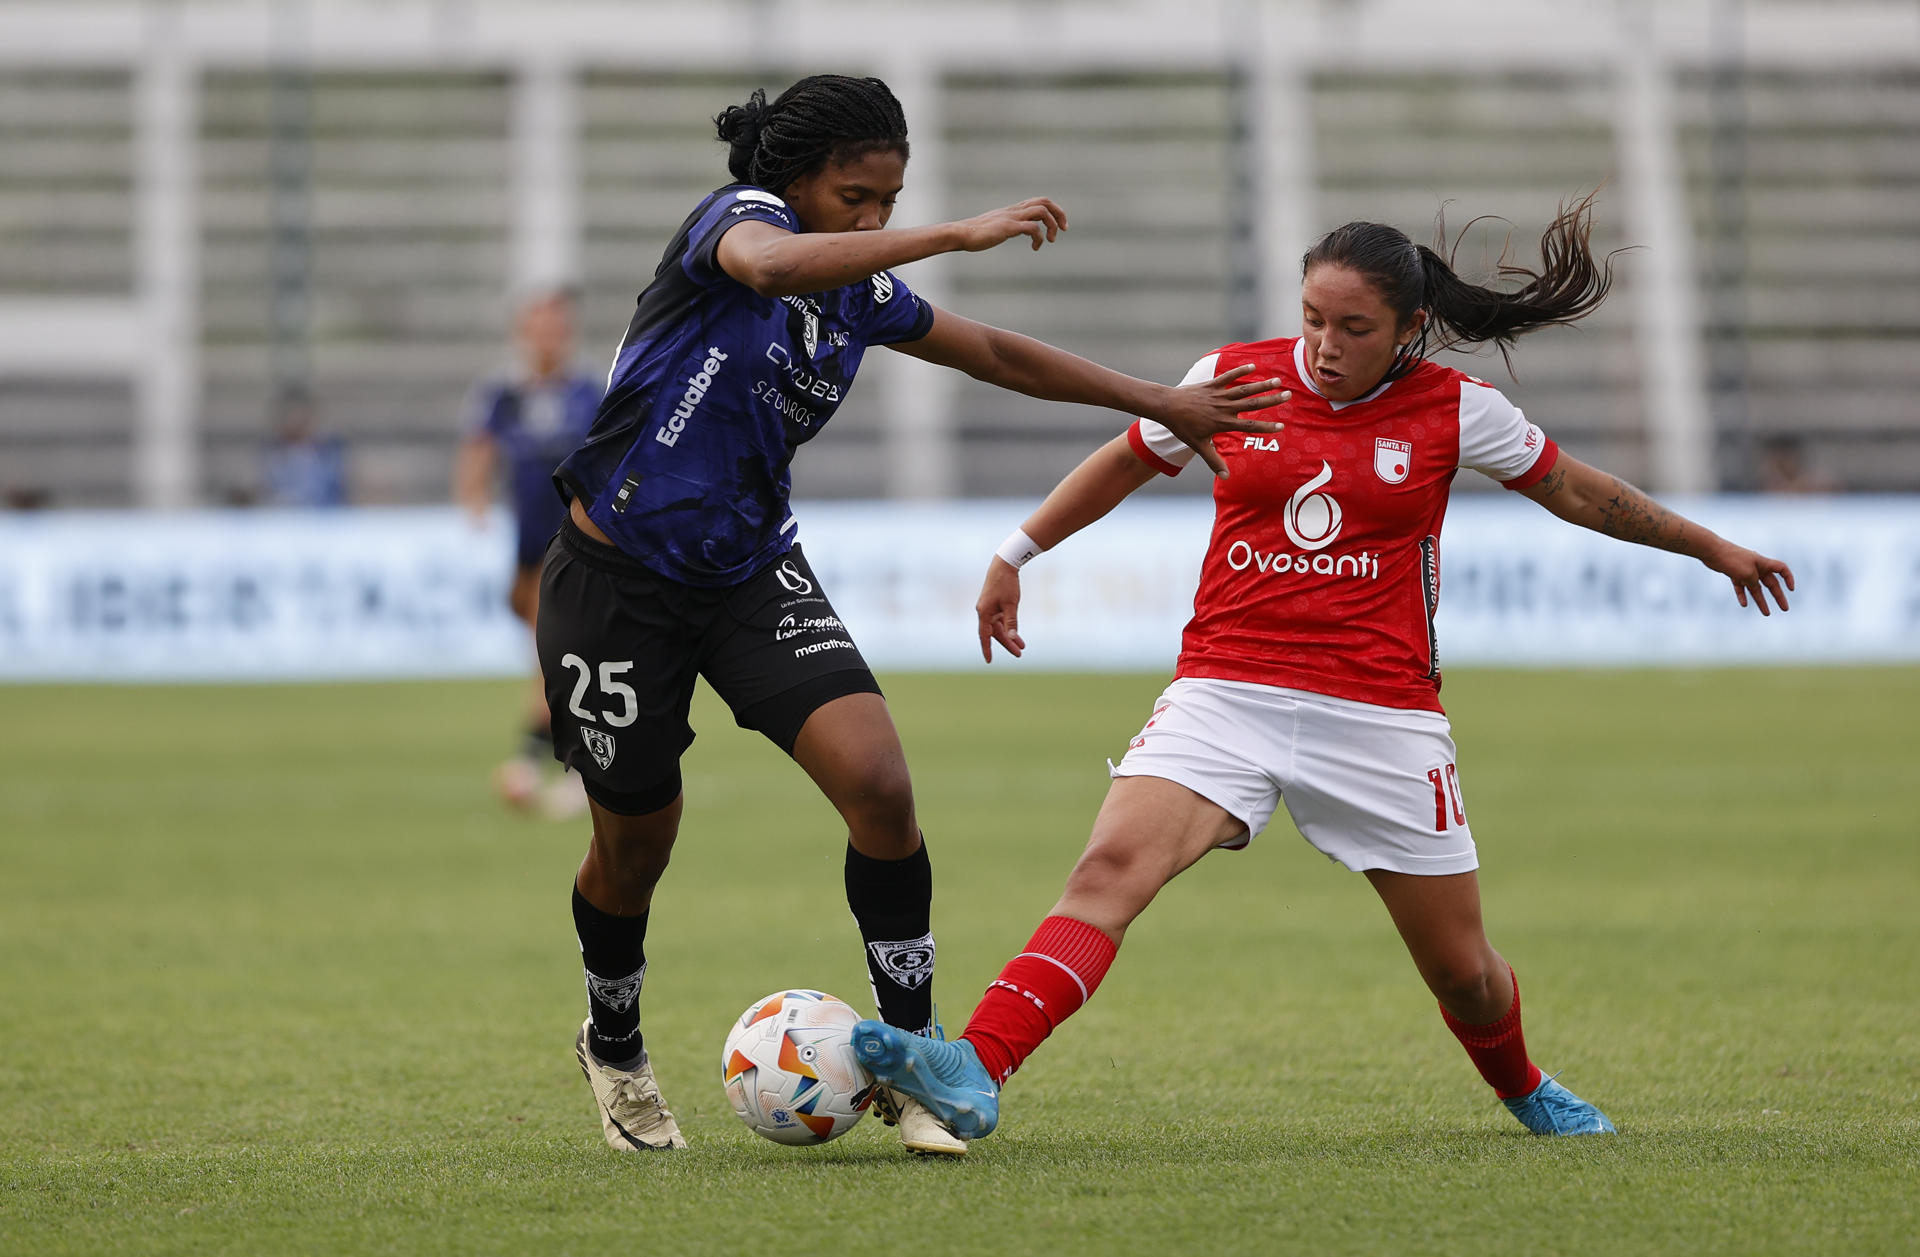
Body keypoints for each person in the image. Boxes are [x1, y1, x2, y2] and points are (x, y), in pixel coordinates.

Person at [851, 194, 1797, 1141]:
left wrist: (1715, 548)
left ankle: (1522, 1083)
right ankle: (974, 1065)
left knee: (1462, 971)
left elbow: (1581, 492)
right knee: (1108, 871)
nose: (1326, 343)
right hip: (1224, 691)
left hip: (1380, 714)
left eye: (1355, 327)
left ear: (1409, 328)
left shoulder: (1457, 412)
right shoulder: (1232, 379)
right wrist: (1016, 552)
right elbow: (1126, 458)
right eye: (1312, 317)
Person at [539, 74, 1286, 1156]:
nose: (874, 220)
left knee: (881, 786)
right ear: (794, 182)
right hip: (613, 586)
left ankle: (915, 1051)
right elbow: (775, 264)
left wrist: (1158, 400)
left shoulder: (858, 288)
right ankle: (613, 1044)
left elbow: (990, 351)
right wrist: (950, 234)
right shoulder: (735, 224)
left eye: (890, 198)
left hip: (749, 575)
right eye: (856, 196)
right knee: (637, 842)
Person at [453, 288, 603, 818]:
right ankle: (577, 762)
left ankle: (538, 762)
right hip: (524, 540)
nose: (548, 335)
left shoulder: (591, 391)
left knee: (552, 651)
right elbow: (479, 446)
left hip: (576, 542)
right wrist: (473, 500)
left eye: (556, 325)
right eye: (539, 325)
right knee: (556, 652)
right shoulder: (503, 393)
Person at [261, 388, 348, 508]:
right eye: (290, 416)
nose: (295, 422)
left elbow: (336, 493)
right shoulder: (270, 454)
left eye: (300, 415)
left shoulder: (330, 453)